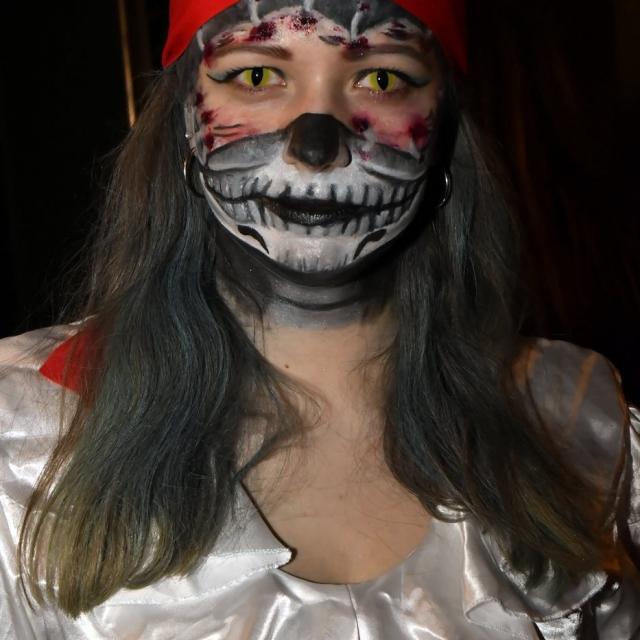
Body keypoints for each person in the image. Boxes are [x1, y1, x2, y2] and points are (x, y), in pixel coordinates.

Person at [1, 0, 639, 637]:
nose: (316, 144)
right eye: (256, 75)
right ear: (184, 123)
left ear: (444, 127)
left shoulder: (573, 421)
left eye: (381, 77)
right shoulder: (21, 439)